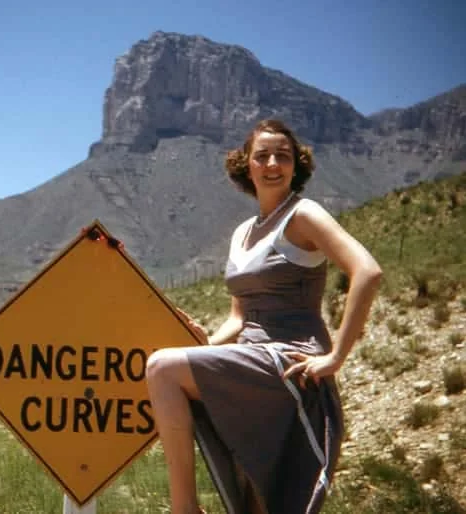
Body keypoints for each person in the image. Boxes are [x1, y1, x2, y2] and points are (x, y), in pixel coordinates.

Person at [145, 119, 383, 514]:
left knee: (161, 368)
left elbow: (368, 271)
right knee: (255, 502)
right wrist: (205, 347)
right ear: (247, 166)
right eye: (262, 156)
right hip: (252, 358)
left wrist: (336, 357)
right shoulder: (242, 232)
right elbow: (239, 318)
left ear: (297, 165)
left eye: (283, 156)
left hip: (291, 357)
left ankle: (184, 507)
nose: (273, 163)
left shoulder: (304, 214)